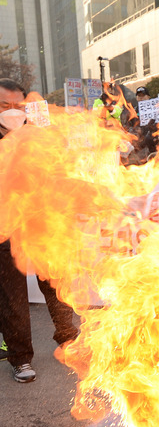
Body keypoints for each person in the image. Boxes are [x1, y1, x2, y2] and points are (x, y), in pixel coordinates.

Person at [0, 78, 78, 383]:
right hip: (6, 229)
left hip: (43, 223)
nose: (12, 112)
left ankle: (68, 340)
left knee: (57, 286)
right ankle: (20, 358)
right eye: (5, 106)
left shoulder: (38, 135)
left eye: (18, 106)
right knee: (12, 297)